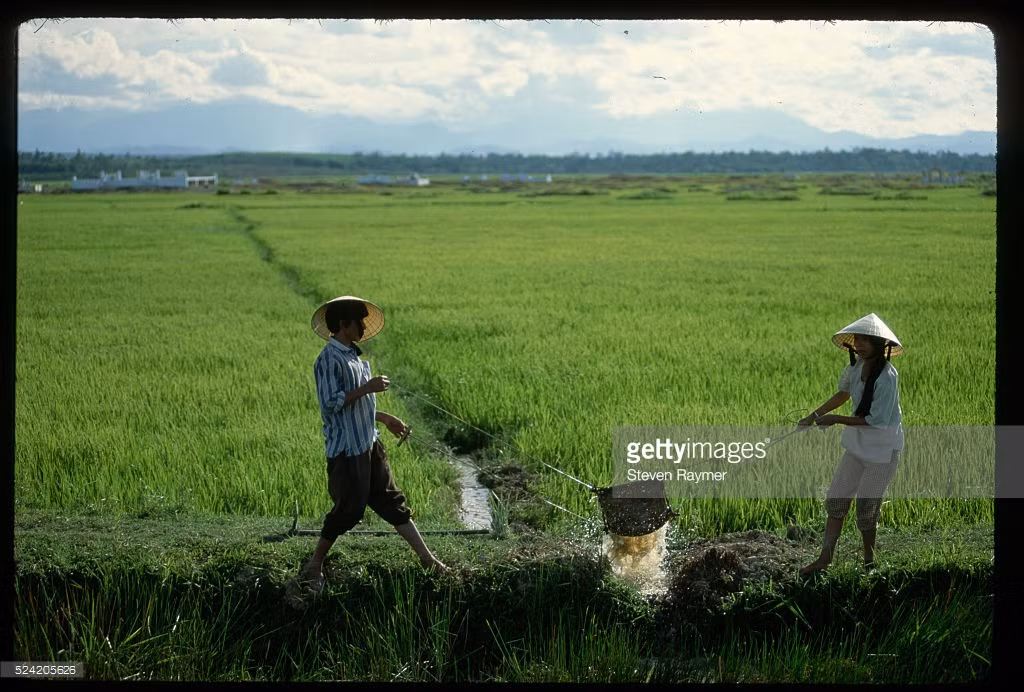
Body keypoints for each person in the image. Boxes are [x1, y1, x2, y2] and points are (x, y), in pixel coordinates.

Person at [298, 295, 447, 594]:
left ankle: (428, 559)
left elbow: (358, 405)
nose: (363, 327)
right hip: (348, 450)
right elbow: (330, 404)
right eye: (359, 322)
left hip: (369, 443)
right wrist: (368, 387)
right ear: (344, 324)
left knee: (392, 501)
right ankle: (315, 563)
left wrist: (385, 418)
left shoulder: (353, 356)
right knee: (348, 511)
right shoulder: (329, 359)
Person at [797, 313, 904, 576]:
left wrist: (834, 419)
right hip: (857, 448)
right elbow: (843, 394)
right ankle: (825, 559)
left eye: (866, 339)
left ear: (880, 344)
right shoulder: (855, 368)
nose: (859, 343)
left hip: (881, 451)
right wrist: (814, 415)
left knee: (866, 511)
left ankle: (869, 561)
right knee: (836, 502)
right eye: (857, 338)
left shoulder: (888, 377)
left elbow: (875, 420)